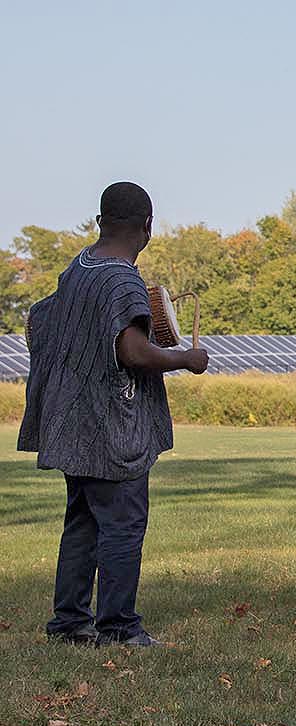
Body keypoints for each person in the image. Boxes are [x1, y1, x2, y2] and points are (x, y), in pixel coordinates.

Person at [18, 181, 210, 647]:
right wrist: (185, 358)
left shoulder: (79, 266)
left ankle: (69, 624)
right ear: (147, 226)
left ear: (100, 221)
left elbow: (41, 320)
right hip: (111, 426)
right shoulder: (122, 279)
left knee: (83, 522)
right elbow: (133, 351)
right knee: (122, 524)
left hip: (73, 420)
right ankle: (119, 628)